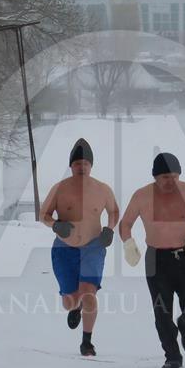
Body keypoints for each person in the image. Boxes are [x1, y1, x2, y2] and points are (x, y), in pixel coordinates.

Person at [119, 152, 185, 368]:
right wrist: (129, 244)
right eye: (165, 178)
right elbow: (125, 223)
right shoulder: (142, 196)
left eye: (174, 176)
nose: (170, 182)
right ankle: (172, 355)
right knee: (162, 310)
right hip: (156, 259)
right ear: (155, 177)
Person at [40, 138, 119, 356]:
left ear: (91, 165)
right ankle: (74, 308)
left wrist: (109, 229)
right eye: (77, 164)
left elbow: (114, 212)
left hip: (93, 246)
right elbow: (43, 215)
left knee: (89, 293)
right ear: (71, 166)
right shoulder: (59, 189)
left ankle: (87, 341)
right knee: (70, 300)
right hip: (65, 248)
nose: (81, 167)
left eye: (85, 163)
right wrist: (56, 224)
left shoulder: (102, 189)